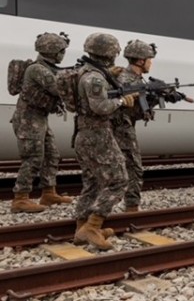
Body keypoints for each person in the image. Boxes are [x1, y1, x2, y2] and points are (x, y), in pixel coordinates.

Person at [112, 40, 193, 212]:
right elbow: (128, 97)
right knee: (133, 166)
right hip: (120, 127)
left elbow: (143, 101)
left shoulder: (135, 78)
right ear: (140, 61)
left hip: (125, 125)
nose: (151, 62)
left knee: (125, 166)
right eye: (149, 59)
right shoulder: (126, 79)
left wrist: (172, 94)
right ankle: (131, 206)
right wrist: (152, 91)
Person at [73, 32, 134, 250]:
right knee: (119, 180)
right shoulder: (95, 78)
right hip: (98, 135)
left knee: (93, 182)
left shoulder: (87, 72)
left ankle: (81, 230)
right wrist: (121, 101)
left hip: (83, 135)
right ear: (109, 53)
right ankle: (92, 226)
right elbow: (100, 107)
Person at [10, 32, 74, 213]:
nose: (63, 54)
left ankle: (48, 192)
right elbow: (57, 88)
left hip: (39, 118)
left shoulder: (47, 67)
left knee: (52, 155)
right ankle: (20, 198)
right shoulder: (37, 69)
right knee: (33, 157)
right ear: (53, 51)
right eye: (61, 50)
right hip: (28, 119)